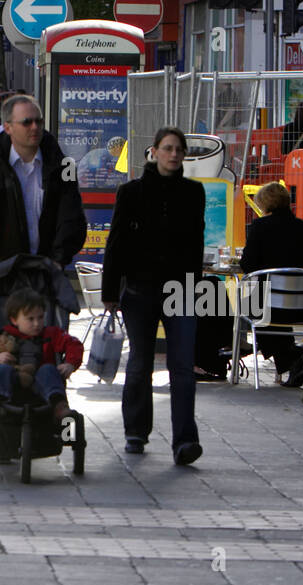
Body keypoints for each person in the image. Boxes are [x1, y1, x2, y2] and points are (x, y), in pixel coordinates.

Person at [102, 127, 206, 466]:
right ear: (154, 151)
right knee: (140, 363)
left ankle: (185, 440)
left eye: (179, 150)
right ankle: (136, 431)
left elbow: (196, 244)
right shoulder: (131, 192)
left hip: (181, 290)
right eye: (168, 148)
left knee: (182, 368)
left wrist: (196, 289)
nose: (174, 155)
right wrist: (110, 291)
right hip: (140, 289)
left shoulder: (194, 192)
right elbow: (115, 242)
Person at [0, 94, 87, 276]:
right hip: (2, 274)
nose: (34, 127)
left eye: (38, 121)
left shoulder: (64, 166)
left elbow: (72, 218)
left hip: (46, 273)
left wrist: (58, 260)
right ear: (8, 127)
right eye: (26, 122)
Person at [240, 181, 303, 387]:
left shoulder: (260, 227)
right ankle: (291, 360)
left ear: (264, 204)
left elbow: (248, 265)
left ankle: (290, 358)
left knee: (251, 301)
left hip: (268, 306)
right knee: (264, 303)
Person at [0, 288, 83, 425]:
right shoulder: (4, 335)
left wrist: (70, 363)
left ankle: (60, 407)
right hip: (11, 385)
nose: (37, 324)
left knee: (48, 369)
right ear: (14, 320)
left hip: (42, 385)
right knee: (1, 369)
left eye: (40, 317)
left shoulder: (51, 334)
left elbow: (74, 344)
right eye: (30, 319)